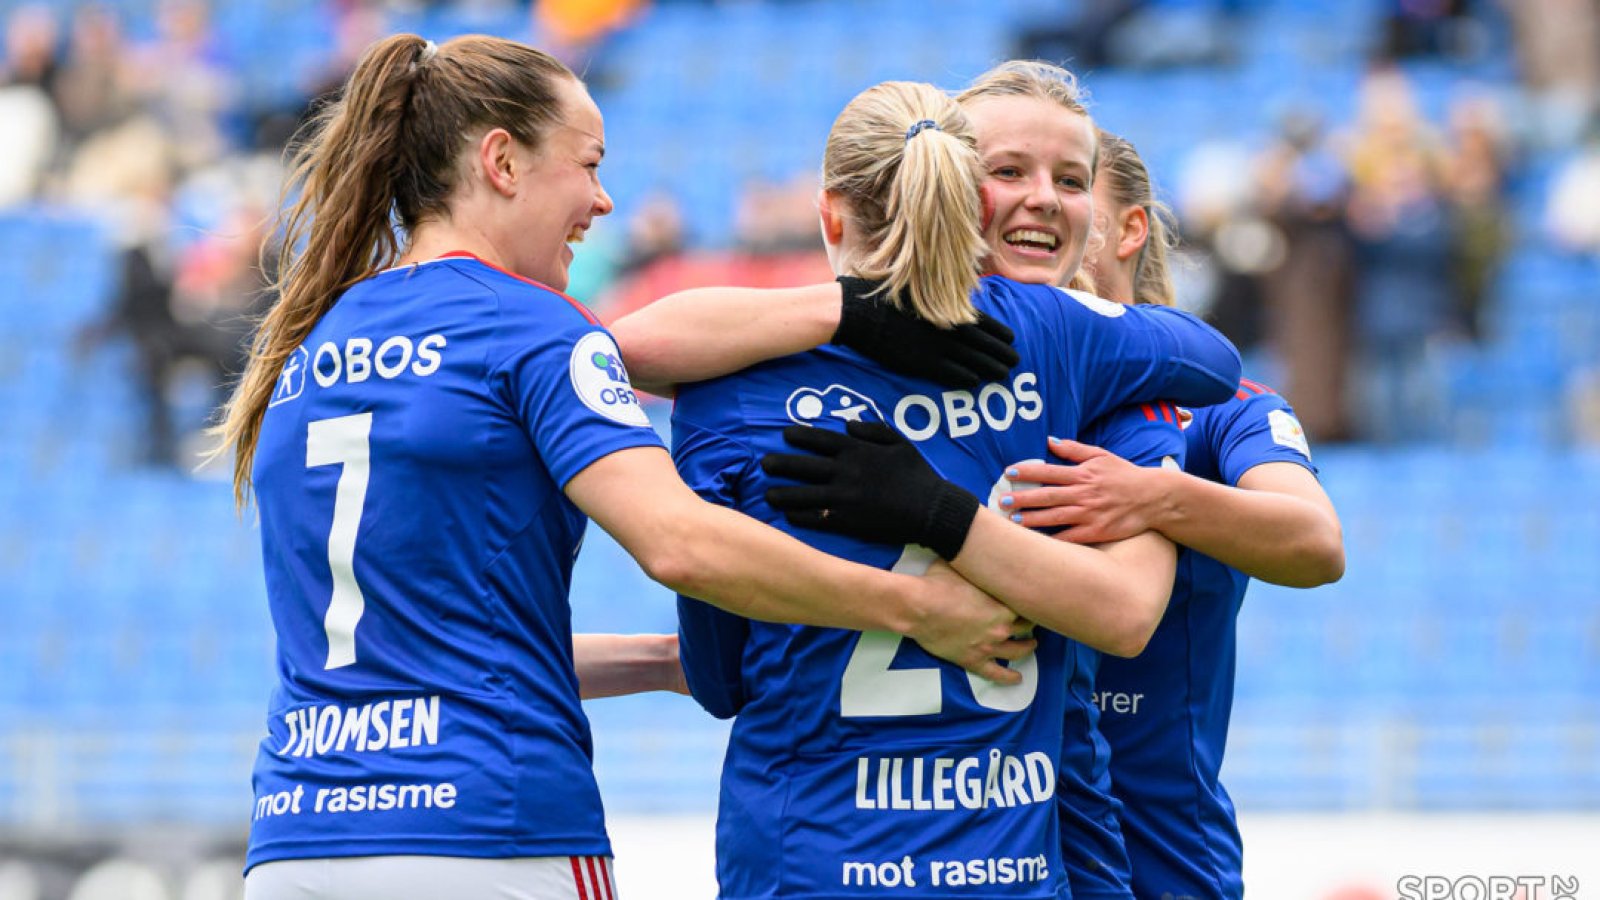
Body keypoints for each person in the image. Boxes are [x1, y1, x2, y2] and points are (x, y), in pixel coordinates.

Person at [215, 34, 1039, 900]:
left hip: (298, 845)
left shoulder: (314, 343)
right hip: (488, 832)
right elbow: (679, 544)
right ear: (501, 161)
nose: (603, 201)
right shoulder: (529, 325)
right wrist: (916, 607)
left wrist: (665, 662)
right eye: (589, 164)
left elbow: (448, 650)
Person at [662, 77, 1246, 896]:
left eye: (1071, 179)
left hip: (805, 864)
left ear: (831, 216)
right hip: (1002, 864)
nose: (1043, 200)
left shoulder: (727, 385)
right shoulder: (1047, 334)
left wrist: (842, 314)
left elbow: (721, 679)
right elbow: (1215, 359)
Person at [1004, 130, 1346, 900]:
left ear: (1128, 230)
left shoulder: (1225, 408)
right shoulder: (984, 407)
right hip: (990, 843)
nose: (1040, 212)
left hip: (1162, 850)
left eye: (1072, 188)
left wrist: (1156, 496)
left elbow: (1316, 542)